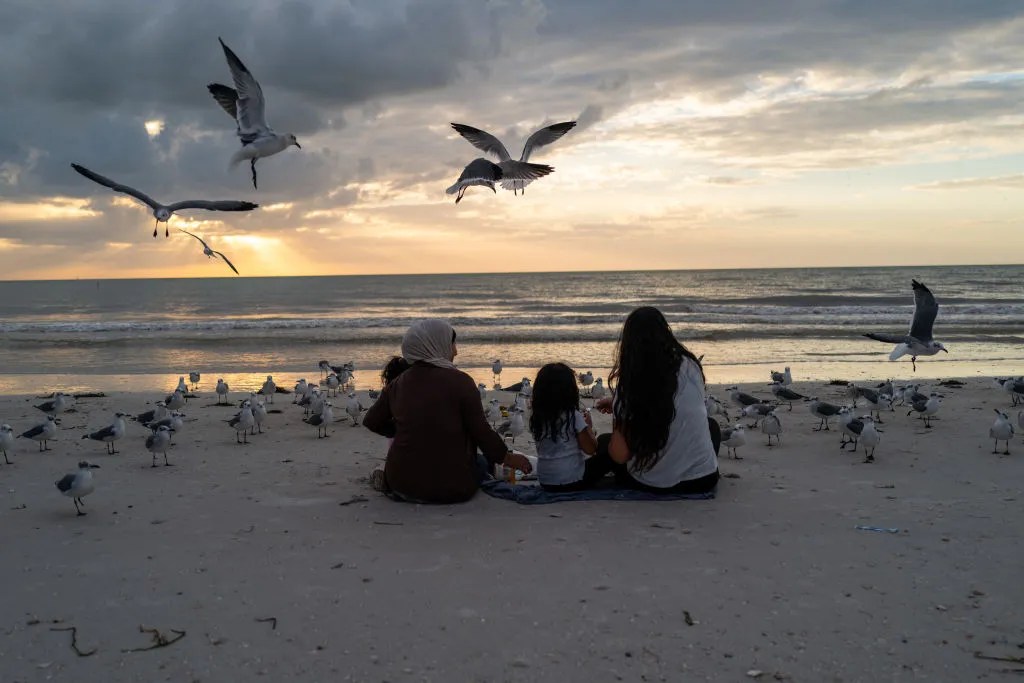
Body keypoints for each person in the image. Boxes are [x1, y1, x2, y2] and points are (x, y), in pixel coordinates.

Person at [362, 319, 532, 503]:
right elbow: (481, 432)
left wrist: (407, 430)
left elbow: (371, 421)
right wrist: (507, 457)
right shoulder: (461, 382)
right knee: (482, 462)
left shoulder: (397, 384)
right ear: (437, 345)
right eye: (452, 344)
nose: (456, 351)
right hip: (454, 488)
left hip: (402, 485)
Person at [594, 306, 720, 494]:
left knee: (605, 442)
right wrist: (618, 403)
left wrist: (620, 413)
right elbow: (677, 405)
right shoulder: (690, 366)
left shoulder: (631, 381)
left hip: (651, 483)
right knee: (711, 426)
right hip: (702, 479)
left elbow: (620, 455)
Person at [529, 362, 605, 491]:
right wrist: (588, 428)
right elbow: (590, 449)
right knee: (604, 442)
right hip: (572, 481)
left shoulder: (537, 417)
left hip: (546, 481)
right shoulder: (573, 415)